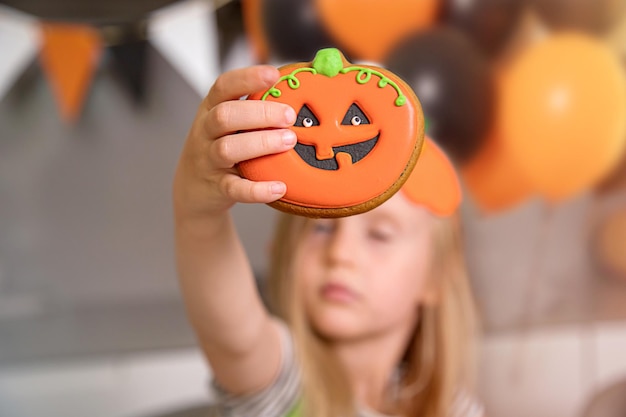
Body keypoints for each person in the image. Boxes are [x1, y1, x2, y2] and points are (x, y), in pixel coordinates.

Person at [172, 65, 483, 417]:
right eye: (321, 229)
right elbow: (233, 337)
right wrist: (197, 216)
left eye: (379, 235)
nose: (340, 254)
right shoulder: (281, 383)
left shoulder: (452, 409)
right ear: (283, 252)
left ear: (435, 276)